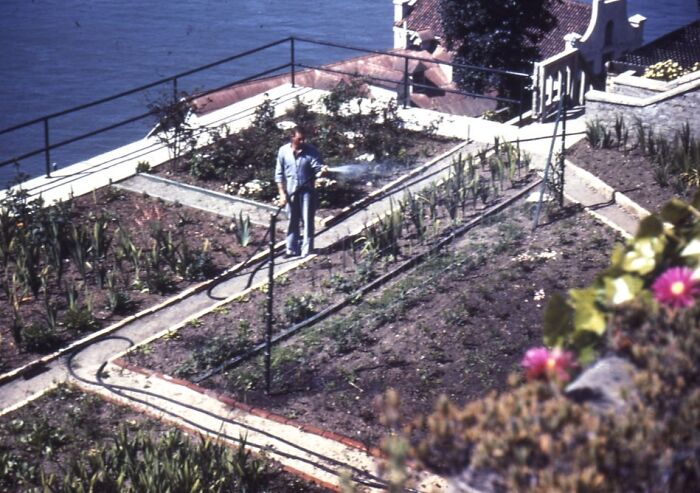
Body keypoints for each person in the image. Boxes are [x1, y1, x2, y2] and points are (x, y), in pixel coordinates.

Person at [275, 126, 327, 257]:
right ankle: (291, 249)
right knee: (292, 220)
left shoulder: (312, 152)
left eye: (304, 139)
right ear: (292, 138)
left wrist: (322, 171)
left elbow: (317, 168)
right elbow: (279, 174)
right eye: (300, 139)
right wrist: (282, 194)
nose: (303, 142)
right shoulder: (283, 151)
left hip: (307, 192)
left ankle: (307, 250)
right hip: (291, 192)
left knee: (307, 220)